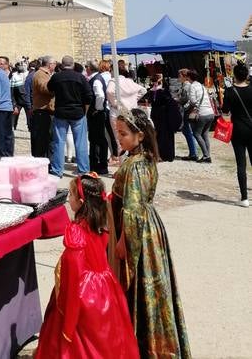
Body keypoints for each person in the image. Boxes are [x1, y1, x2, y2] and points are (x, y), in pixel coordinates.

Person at [110, 108, 191, 359]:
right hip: (150, 228)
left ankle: (145, 348)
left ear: (140, 135)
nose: (119, 138)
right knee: (154, 291)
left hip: (139, 234)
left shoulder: (136, 166)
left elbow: (133, 210)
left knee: (142, 288)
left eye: (123, 134)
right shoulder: (144, 159)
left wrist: (123, 241)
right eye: (118, 133)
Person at [35, 174, 139, 359]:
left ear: (81, 202)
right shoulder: (100, 224)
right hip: (106, 289)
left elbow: (73, 275)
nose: (69, 199)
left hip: (82, 294)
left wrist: (68, 323)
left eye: (72, 195)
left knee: (75, 343)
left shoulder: (76, 232)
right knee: (109, 338)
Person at [48, 55, 93, 178]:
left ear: (62, 65)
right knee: (81, 142)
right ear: (73, 65)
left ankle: (57, 170)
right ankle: (83, 170)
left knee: (59, 142)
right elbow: (89, 95)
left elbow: (49, 88)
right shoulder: (80, 77)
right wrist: (85, 109)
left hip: (61, 112)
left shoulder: (56, 77)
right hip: (78, 112)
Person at [222, 63, 252, 208]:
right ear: (247, 75)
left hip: (238, 129)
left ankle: (244, 198)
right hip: (251, 127)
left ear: (234, 75)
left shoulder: (230, 91)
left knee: (241, 164)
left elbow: (225, 111)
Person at [107, 69, 147, 164]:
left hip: (117, 112)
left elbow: (109, 91)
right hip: (131, 111)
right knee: (132, 136)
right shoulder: (130, 81)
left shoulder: (113, 81)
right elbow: (143, 90)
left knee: (119, 139)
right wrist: (134, 99)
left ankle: (123, 164)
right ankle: (133, 160)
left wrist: (115, 103)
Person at [146, 73, 182, 162]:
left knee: (158, 135)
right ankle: (165, 155)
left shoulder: (152, 91)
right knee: (165, 135)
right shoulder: (163, 91)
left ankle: (159, 154)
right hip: (163, 115)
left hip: (156, 114)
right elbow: (170, 102)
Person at [184, 69, 214, 163]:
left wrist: (186, 106)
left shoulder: (192, 86)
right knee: (205, 134)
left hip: (202, 113)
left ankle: (206, 156)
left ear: (189, 77)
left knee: (196, 134)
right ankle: (207, 155)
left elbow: (193, 101)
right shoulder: (201, 85)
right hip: (210, 113)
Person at [85, 60, 109, 175]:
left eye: (86, 66)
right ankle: (96, 164)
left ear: (89, 68)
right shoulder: (96, 78)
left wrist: (97, 109)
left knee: (97, 139)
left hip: (97, 114)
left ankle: (99, 164)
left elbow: (100, 95)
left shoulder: (96, 80)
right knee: (96, 139)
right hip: (97, 113)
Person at [31, 56, 56, 158]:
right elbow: (45, 89)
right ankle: (43, 160)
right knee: (42, 139)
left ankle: (47, 159)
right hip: (42, 111)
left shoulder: (47, 74)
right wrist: (57, 85)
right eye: (54, 63)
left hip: (47, 111)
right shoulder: (40, 74)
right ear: (50, 65)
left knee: (48, 138)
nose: (55, 65)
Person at [176, 68, 198, 161]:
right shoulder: (185, 85)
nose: (178, 77)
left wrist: (176, 100)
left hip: (187, 110)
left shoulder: (186, 86)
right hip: (186, 110)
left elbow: (185, 99)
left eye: (179, 75)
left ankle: (193, 153)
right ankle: (193, 152)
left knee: (188, 131)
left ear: (184, 76)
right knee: (186, 131)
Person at [10, 60, 30, 131]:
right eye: (19, 65)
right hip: (18, 99)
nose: (21, 66)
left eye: (23, 65)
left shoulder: (29, 74)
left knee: (29, 115)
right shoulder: (14, 75)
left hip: (26, 98)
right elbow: (12, 89)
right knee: (15, 115)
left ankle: (30, 127)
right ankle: (13, 126)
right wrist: (13, 103)